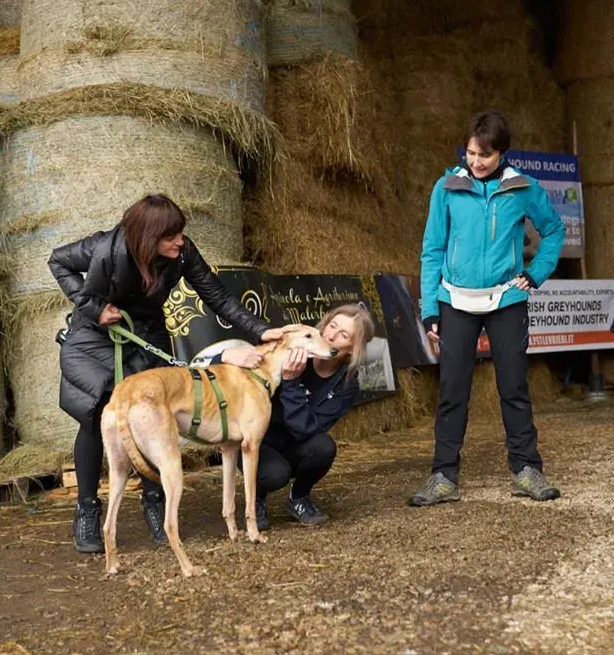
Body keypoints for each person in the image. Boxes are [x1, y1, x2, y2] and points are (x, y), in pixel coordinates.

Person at [48, 194, 287, 554]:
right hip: (96, 335)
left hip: (147, 335)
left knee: (156, 417)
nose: (180, 241)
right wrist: (94, 307)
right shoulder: (104, 247)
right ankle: (87, 509)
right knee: (98, 412)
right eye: (170, 236)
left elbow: (217, 295)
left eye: (181, 234)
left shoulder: (184, 253)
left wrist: (260, 330)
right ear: (146, 237)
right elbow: (58, 261)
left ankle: (155, 501)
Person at [409, 110, 565, 507]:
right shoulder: (446, 186)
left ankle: (526, 470)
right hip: (455, 301)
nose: (475, 162)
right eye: (470, 152)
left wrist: (536, 273)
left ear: (503, 154)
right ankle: (443, 476)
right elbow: (432, 250)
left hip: (506, 299)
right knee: (452, 390)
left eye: (484, 155)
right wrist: (430, 310)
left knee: (513, 385)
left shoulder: (523, 187)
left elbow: (553, 229)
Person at [234, 302, 375, 530]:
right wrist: (227, 354)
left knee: (324, 447)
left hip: (295, 441)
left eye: (343, 335)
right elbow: (235, 374)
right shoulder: (290, 345)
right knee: (275, 474)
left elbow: (307, 430)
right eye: (332, 326)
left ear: (353, 348)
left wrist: (290, 383)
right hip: (258, 441)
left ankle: (299, 498)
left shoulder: (346, 383)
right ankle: (256, 499)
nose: (331, 336)